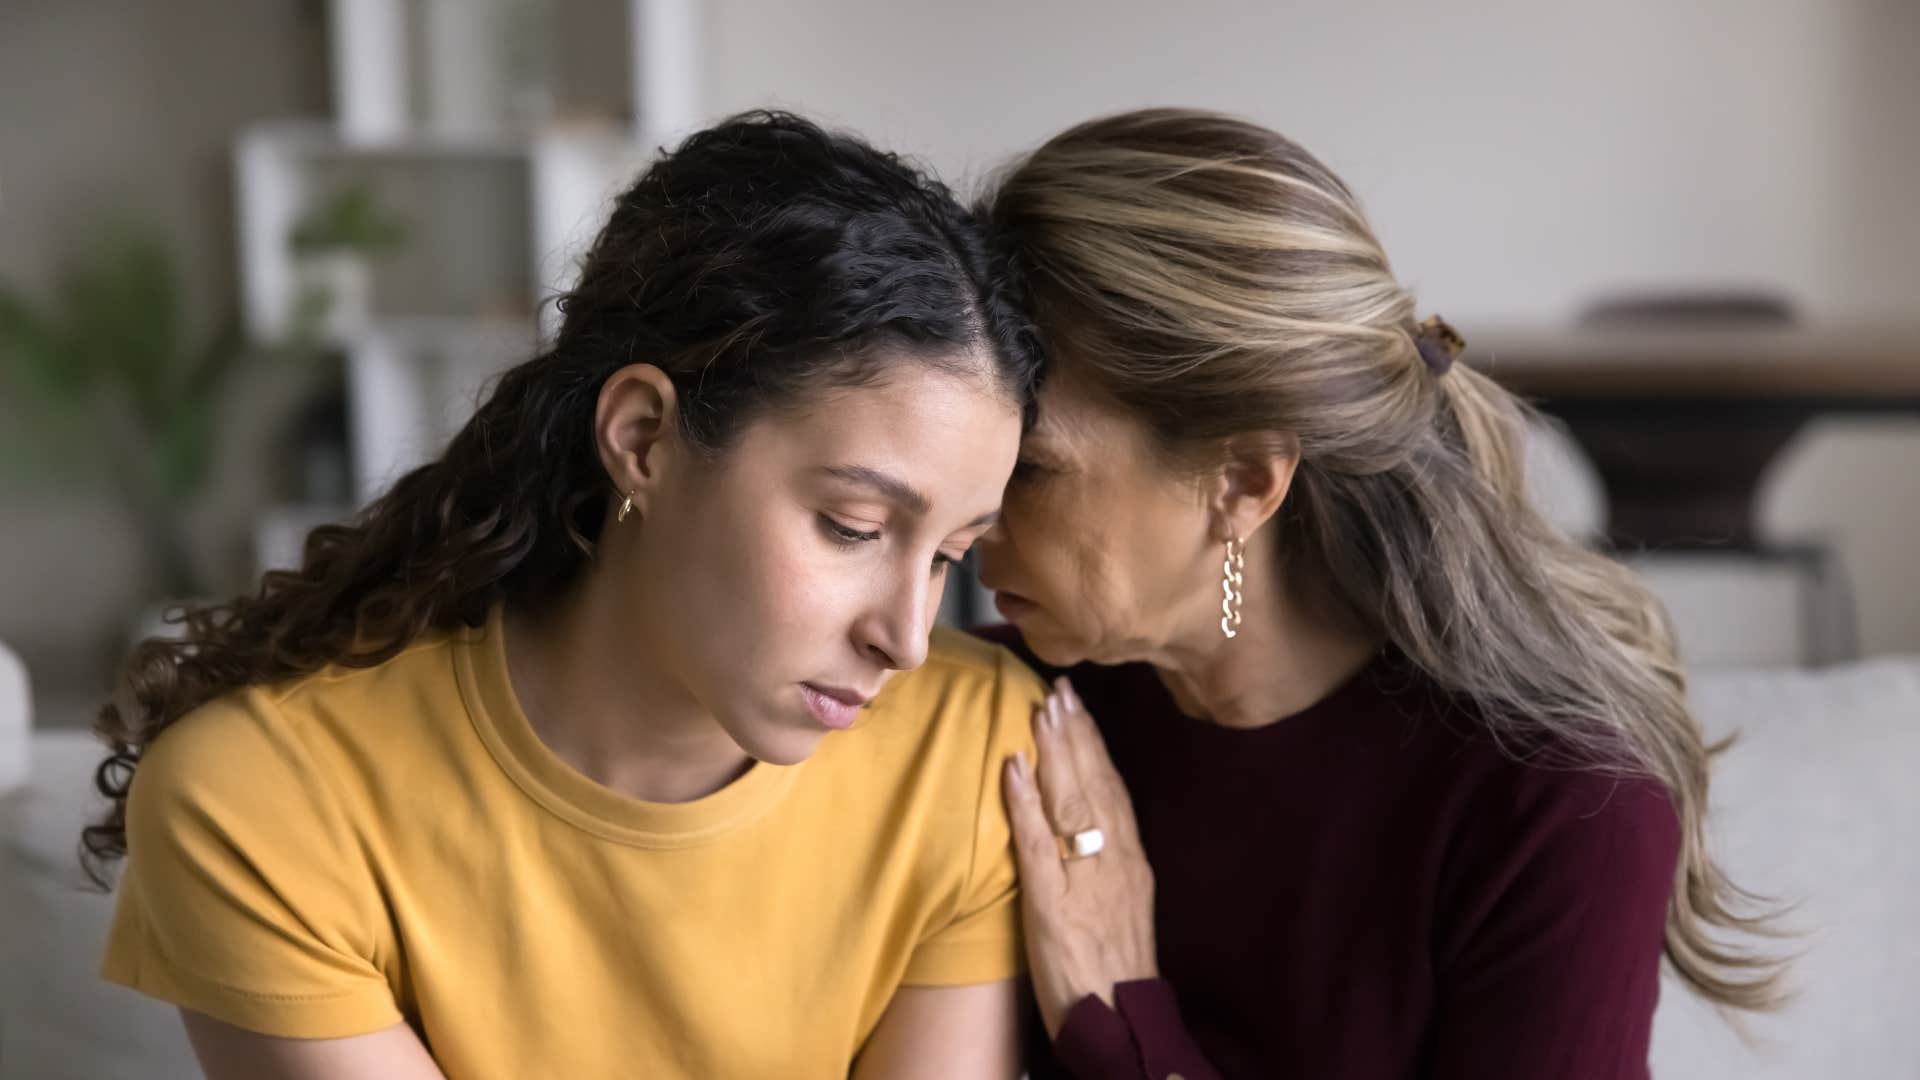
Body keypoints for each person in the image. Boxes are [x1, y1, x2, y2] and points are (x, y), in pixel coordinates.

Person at [86, 111, 1045, 1079]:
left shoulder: (972, 751)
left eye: (946, 558)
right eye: (855, 528)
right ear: (643, 439)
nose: (907, 639)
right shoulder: (266, 800)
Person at [974, 108, 1788, 1079]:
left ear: (1242, 483)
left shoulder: (1556, 805)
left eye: (1027, 467)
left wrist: (1123, 1021)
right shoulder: (1012, 713)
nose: (972, 518)